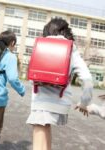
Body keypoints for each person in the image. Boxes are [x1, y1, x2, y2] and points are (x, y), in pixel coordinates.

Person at [26, 18, 93, 150]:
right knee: (46, 132)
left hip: (41, 102)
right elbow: (88, 79)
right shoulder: (71, 48)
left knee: (39, 138)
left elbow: (31, 78)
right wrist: (84, 103)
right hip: (61, 102)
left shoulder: (40, 45)